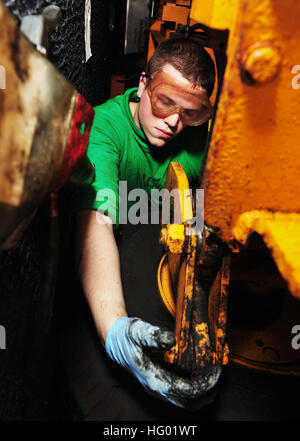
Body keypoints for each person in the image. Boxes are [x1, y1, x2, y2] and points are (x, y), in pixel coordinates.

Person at [72, 37, 221, 414]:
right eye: (165, 101)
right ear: (143, 85)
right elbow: (97, 221)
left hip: (166, 277)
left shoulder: (199, 138)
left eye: (190, 112)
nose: (174, 122)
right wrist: (115, 330)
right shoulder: (104, 127)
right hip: (111, 278)